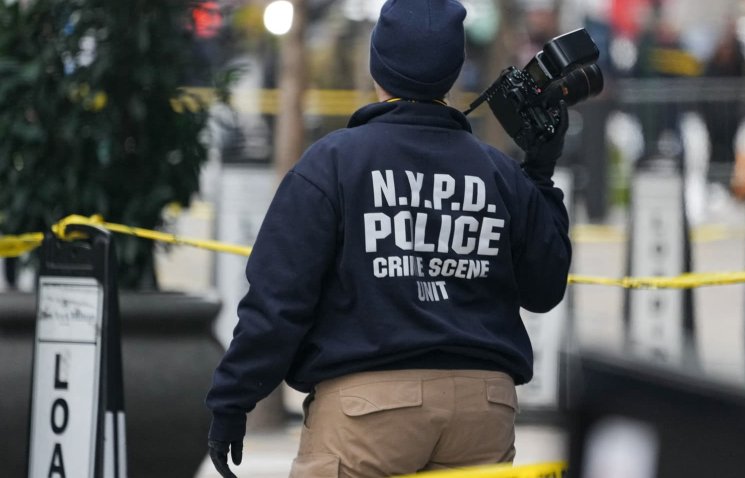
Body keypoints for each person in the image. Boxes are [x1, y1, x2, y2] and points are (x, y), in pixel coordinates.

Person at [205, 1, 572, 476]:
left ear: (376, 64)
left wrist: (233, 399)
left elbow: (279, 300)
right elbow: (545, 289)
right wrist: (540, 176)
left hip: (367, 412)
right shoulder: (499, 172)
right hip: (484, 410)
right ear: (454, 72)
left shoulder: (332, 163)